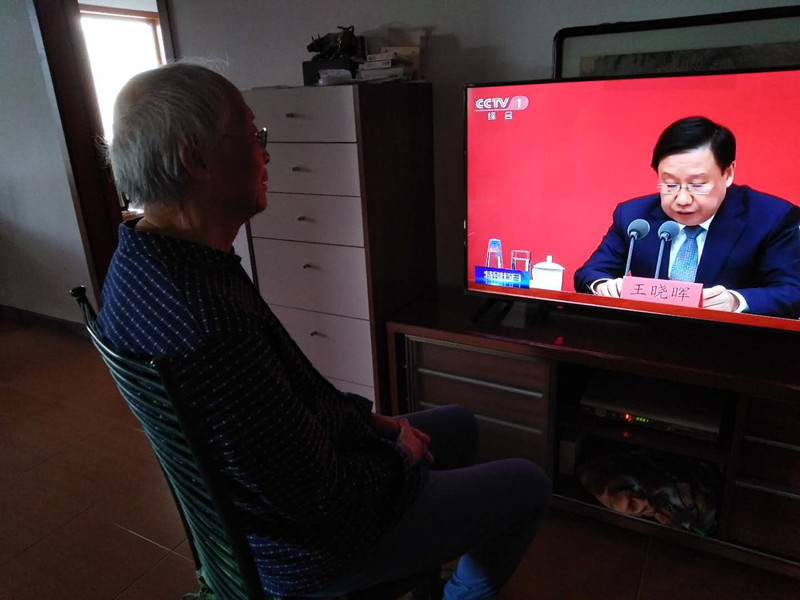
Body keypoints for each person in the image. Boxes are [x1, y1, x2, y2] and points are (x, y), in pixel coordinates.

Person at [96, 61, 551, 600]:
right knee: (527, 484)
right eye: (252, 134)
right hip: (308, 550)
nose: (266, 153)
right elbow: (320, 500)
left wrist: (379, 425)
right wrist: (399, 456)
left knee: (459, 424)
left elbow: (298, 400)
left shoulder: (148, 257)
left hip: (269, 508)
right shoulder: (205, 319)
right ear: (194, 159)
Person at [573, 116, 800, 318]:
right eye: (670, 184)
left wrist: (735, 301)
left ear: (728, 173)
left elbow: (792, 291)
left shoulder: (772, 218)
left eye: (698, 185)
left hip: (731, 343)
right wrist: (604, 285)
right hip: (646, 339)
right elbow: (590, 273)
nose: (682, 199)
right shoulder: (634, 217)